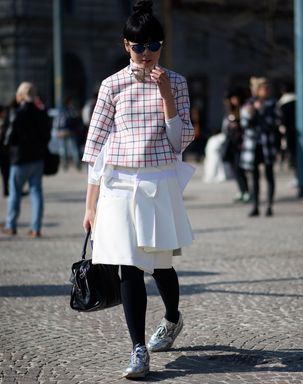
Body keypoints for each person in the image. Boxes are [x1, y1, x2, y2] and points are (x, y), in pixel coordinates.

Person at [81, 0, 195, 379]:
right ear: (125, 45)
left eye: (153, 45)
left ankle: (173, 319)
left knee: (161, 266)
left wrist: (166, 96)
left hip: (158, 181)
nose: (147, 54)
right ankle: (138, 350)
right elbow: (96, 147)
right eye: (138, 46)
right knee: (128, 267)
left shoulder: (176, 82)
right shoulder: (111, 85)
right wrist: (90, 205)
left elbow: (179, 142)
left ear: (162, 45)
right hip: (117, 186)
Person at [1, 82, 51, 237]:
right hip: (37, 158)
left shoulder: (16, 112)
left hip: (19, 158)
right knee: (36, 192)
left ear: (21, 95)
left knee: (15, 192)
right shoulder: (41, 112)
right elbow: (46, 136)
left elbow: (9, 138)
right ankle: (36, 228)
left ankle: (11, 225)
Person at [240, 77, 278, 217]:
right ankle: (255, 205)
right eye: (264, 87)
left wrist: (261, 112)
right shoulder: (248, 104)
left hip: (268, 144)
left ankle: (269, 206)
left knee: (269, 175)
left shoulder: (272, 104)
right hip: (253, 146)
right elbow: (245, 124)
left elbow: (275, 122)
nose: (267, 90)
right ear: (257, 90)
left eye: (268, 87)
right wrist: (251, 114)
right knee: (254, 177)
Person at [221, 89, 250, 202]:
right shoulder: (229, 111)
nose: (234, 100)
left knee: (240, 168)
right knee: (234, 168)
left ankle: (246, 191)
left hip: (241, 144)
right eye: (232, 98)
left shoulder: (244, 109)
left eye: (236, 98)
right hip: (231, 143)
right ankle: (241, 190)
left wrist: (237, 125)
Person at [54, 96, 82, 170]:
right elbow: (74, 119)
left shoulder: (60, 110)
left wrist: (57, 130)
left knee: (64, 149)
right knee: (74, 148)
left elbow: (57, 122)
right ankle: (77, 164)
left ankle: (65, 165)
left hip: (61, 131)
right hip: (70, 130)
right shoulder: (70, 110)